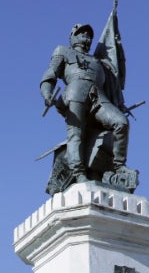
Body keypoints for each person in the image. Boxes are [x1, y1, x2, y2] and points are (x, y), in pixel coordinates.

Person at [40, 23, 130, 184]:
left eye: (89, 36)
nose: (86, 38)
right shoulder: (63, 51)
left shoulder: (99, 61)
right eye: (83, 34)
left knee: (121, 122)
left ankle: (119, 166)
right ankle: (79, 173)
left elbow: (111, 86)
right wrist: (47, 94)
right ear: (73, 36)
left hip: (98, 96)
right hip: (75, 93)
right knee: (76, 133)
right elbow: (50, 74)